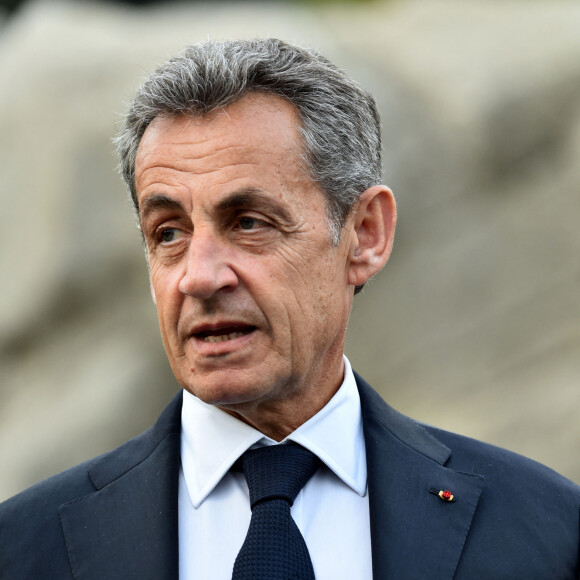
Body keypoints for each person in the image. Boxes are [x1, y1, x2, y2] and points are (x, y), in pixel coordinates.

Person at [0, 38, 578, 580]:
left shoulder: (546, 529)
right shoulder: (23, 546)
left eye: (249, 222)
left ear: (365, 235)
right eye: (169, 232)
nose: (198, 277)